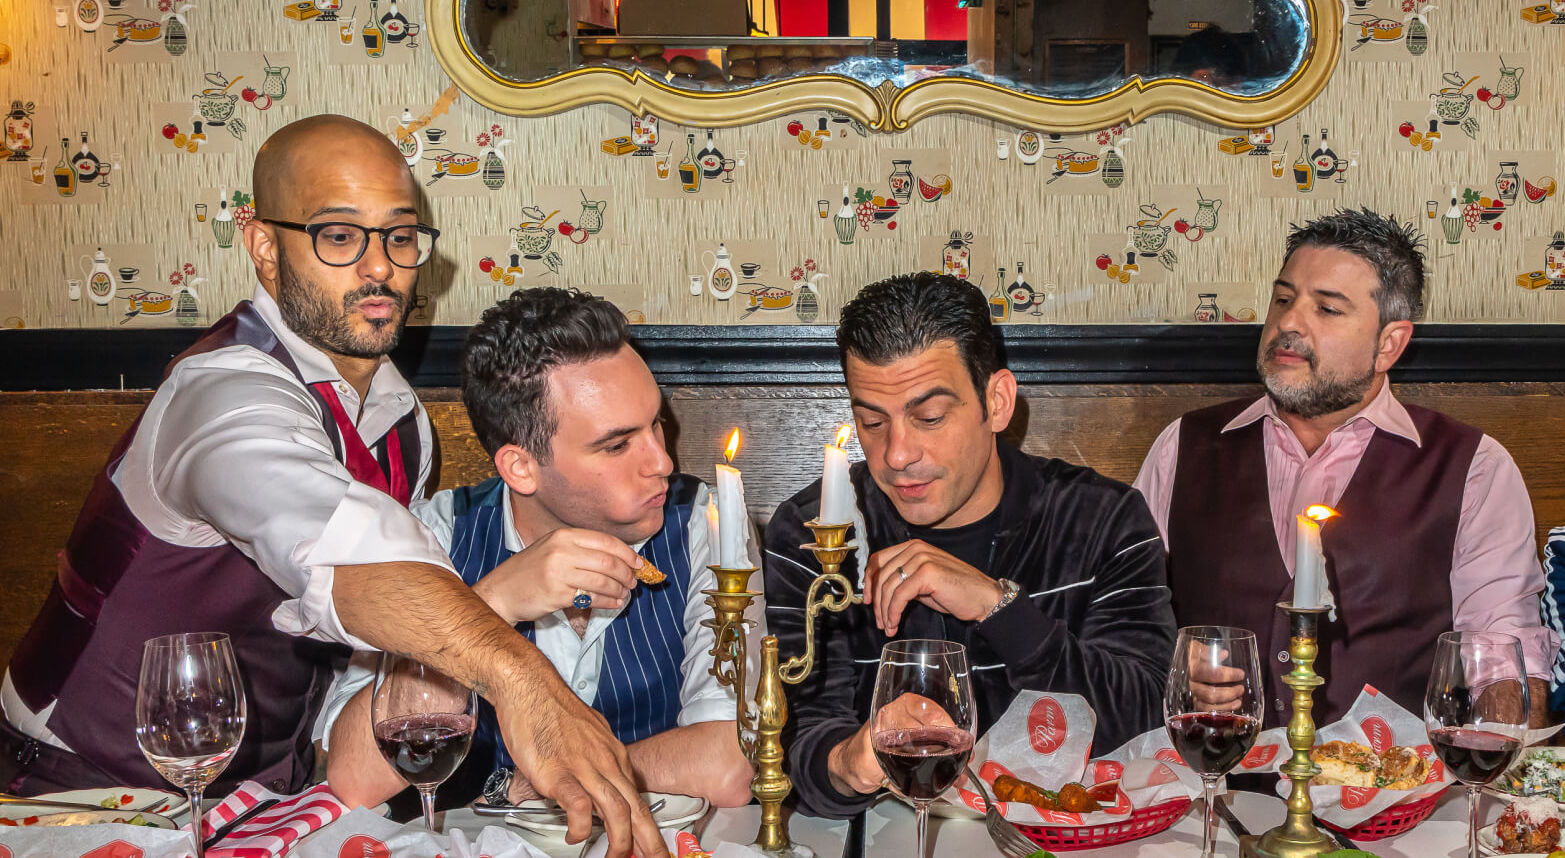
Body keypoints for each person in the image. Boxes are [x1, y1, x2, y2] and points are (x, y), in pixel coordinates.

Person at [0, 115, 665, 857]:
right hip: (87, 795)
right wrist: (526, 683)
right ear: (262, 245)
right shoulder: (219, 397)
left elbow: (380, 639)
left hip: (268, 801)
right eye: (339, 236)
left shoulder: (402, 420)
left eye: (400, 236)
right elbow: (353, 560)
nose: (380, 268)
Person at [320, 287, 758, 810]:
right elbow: (352, 777)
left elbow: (730, 764)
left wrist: (548, 784)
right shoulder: (431, 536)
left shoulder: (707, 522)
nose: (661, 461)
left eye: (657, 422)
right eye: (617, 445)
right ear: (520, 468)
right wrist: (486, 608)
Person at [763, 272, 1176, 819]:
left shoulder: (1103, 519)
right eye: (871, 421)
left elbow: (1150, 721)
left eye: (929, 417)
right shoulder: (815, 536)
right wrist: (848, 761)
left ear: (997, 402)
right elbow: (791, 751)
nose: (897, 454)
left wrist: (998, 608)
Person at [1135, 208, 1558, 728]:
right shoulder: (1183, 447)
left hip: (1404, 802)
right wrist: (1169, 668)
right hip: (1211, 792)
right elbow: (1121, 624)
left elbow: (1502, 659)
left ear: (1389, 344)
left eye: (1328, 310)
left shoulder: (1474, 468)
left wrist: (1493, 776)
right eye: (1284, 299)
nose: (1289, 323)